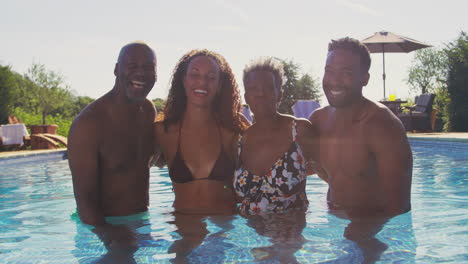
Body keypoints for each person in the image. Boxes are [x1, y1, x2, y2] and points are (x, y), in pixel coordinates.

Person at [309, 37, 413, 218]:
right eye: (329, 71)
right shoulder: (318, 120)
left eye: (346, 72)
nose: (335, 80)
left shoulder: (382, 126)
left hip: (373, 230)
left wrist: (363, 232)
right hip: (333, 220)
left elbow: (399, 207)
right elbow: (308, 168)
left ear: (364, 79)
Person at [68, 41, 157, 250]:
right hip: (99, 228)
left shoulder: (148, 111)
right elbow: (85, 201)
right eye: (132, 65)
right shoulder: (88, 124)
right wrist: (110, 235)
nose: (140, 73)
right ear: (117, 69)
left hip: (142, 223)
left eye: (148, 67)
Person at [233, 57, 317, 215]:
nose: (260, 93)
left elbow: (331, 172)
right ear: (246, 97)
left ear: (279, 94)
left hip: (290, 237)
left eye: (268, 88)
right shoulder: (241, 141)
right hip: (246, 238)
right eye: (253, 88)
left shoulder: (299, 131)